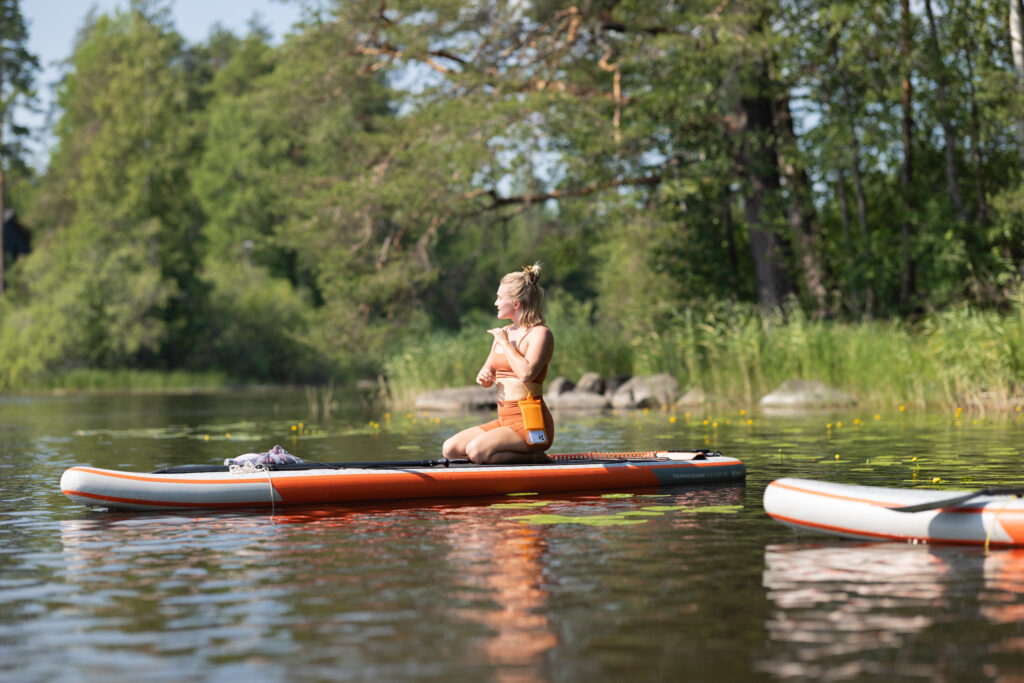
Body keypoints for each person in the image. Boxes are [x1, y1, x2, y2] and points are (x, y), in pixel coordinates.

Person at [442, 263, 555, 464]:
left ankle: (535, 455)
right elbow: (487, 372)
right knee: (450, 449)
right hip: (504, 420)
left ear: (516, 303)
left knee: (477, 451)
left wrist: (505, 342)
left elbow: (526, 374)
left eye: (500, 298)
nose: (496, 303)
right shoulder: (503, 333)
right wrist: (484, 377)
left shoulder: (540, 334)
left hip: (531, 423)